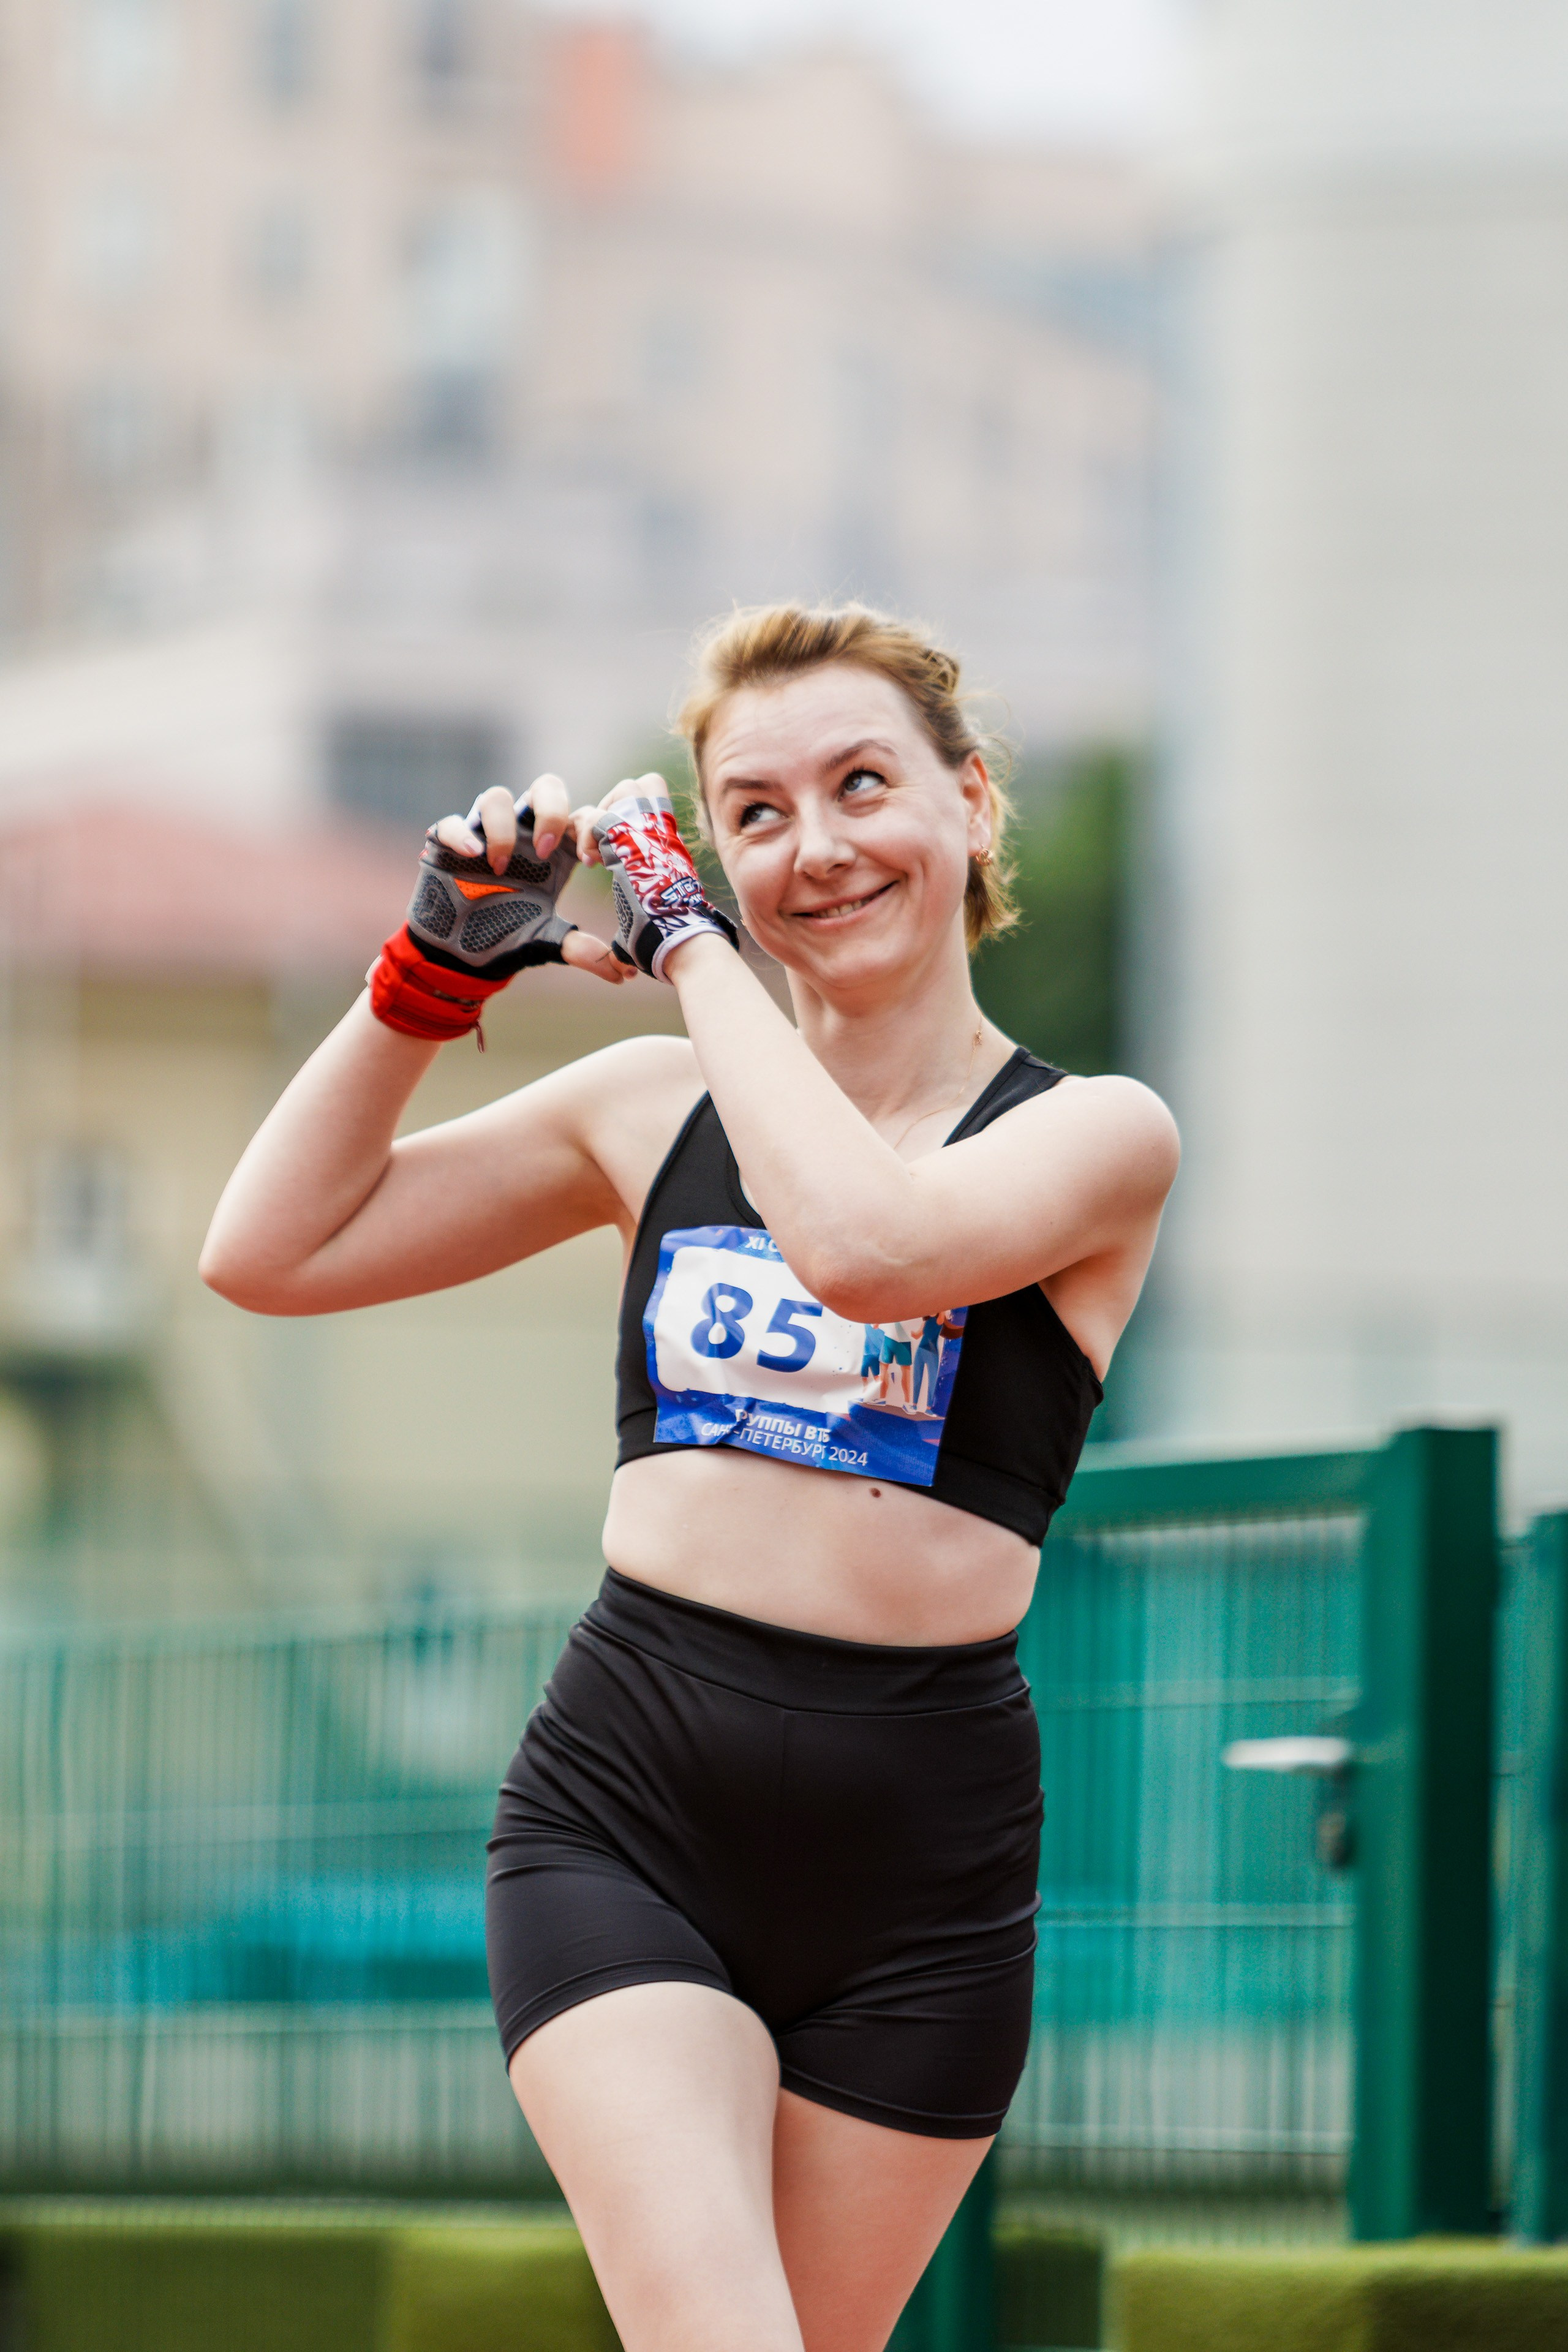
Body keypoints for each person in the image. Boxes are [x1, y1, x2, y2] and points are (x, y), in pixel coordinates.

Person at [200, 603, 1178, 2352]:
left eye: (864, 785)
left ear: (970, 807)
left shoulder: (1095, 1135)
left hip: (924, 1871)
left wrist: (690, 944)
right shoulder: (650, 1108)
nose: (816, 850)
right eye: (753, 813)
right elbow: (267, 1251)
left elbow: (872, 1247)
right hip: (631, 1808)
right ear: (716, 844)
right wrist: (424, 982)